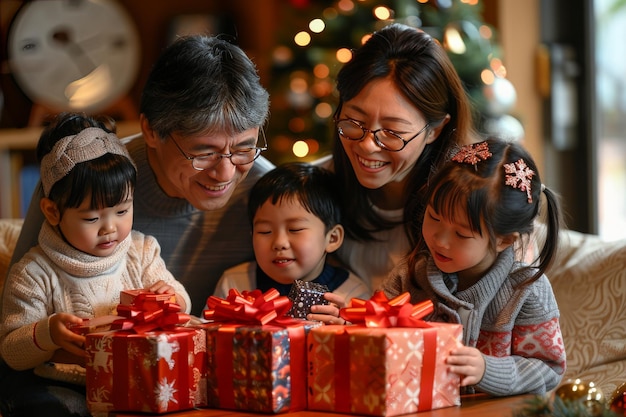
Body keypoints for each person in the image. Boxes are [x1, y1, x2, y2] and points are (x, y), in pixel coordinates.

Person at [7, 35, 273, 317]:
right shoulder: (83, 176)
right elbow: (15, 322)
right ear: (151, 131)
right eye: (204, 153)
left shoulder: (270, 194)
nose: (226, 173)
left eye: (245, 148)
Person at [0, 113, 192, 417]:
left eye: (122, 210)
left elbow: (181, 301)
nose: (109, 228)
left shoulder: (140, 252)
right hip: (65, 386)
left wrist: (173, 297)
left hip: (136, 379)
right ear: (52, 212)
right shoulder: (34, 272)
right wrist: (48, 332)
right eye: (91, 218)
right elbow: (11, 351)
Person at [381, 138, 566, 396]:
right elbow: (377, 335)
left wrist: (487, 370)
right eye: (434, 217)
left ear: (504, 240)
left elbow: (549, 368)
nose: (439, 240)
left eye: (461, 234)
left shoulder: (526, 290)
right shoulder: (410, 276)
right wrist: (348, 325)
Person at [316, 23, 482, 294]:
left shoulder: (476, 204)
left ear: (435, 130)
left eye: (393, 132)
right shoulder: (311, 191)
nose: (368, 146)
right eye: (354, 121)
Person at [212, 162, 370, 324]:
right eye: (265, 231)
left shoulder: (352, 294)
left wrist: (345, 328)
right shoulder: (235, 284)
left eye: (295, 229)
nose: (279, 243)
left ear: (332, 238)